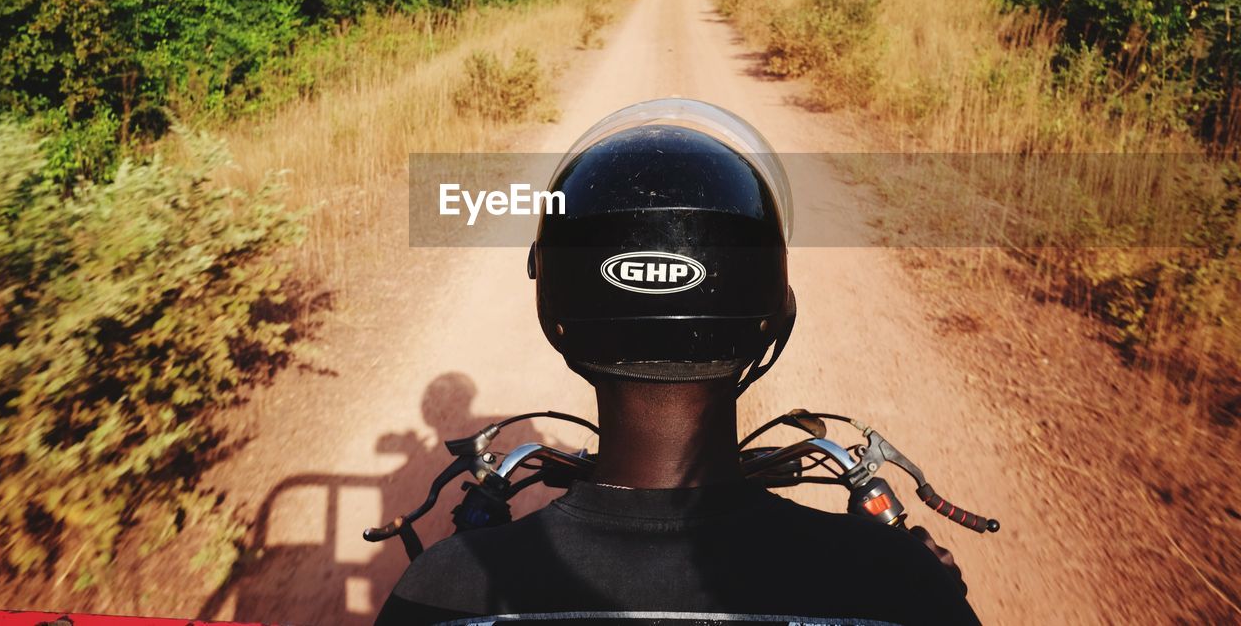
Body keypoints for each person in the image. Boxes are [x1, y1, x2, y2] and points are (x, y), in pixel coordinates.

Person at [377, 99, 980, 625]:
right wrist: (929, 586)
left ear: (556, 313)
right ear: (773, 312)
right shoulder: (902, 584)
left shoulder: (439, 588)